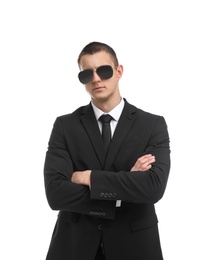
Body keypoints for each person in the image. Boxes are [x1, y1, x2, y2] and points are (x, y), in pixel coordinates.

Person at [43, 41, 171, 260]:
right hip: (74, 247)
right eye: (86, 74)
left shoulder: (152, 125)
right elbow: (55, 193)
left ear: (119, 71)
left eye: (103, 71)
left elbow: (153, 188)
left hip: (135, 247)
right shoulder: (65, 125)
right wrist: (127, 186)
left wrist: (89, 177)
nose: (96, 79)